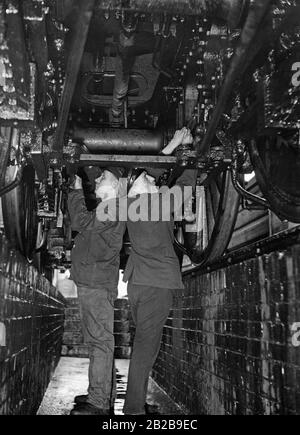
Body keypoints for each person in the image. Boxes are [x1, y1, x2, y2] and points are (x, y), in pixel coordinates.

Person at [122, 128, 197, 415]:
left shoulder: (131, 206)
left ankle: (135, 405)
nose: (155, 185)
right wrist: (188, 153)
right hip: (154, 287)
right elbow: (187, 181)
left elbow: (151, 173)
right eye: (152, 186)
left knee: (144, 346)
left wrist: (177, 146)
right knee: (145, 348)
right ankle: (134, 410)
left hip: (142, 285)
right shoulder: (160, 204)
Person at [68, 167, 126, 416]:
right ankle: (101, 395)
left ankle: (99, 403)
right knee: (99, 342)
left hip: (95, 283)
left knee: (100, 342)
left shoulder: (111, 206)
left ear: (115, 185)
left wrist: (76, 190)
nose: (98, 179)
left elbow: (79, 221)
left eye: (104, 176)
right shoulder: (110, 207)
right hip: (94, 281)